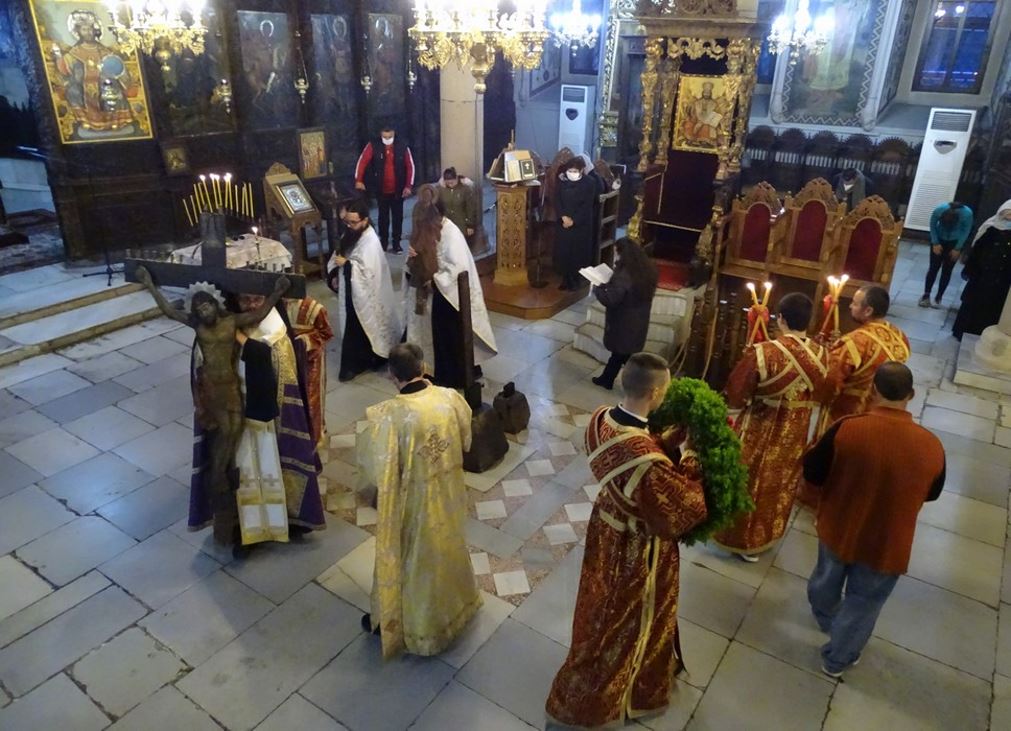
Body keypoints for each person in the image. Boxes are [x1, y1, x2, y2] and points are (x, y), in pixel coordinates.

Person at [546, 353, 708, 728]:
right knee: (623, 618)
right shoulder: (648, 461)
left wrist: (666, 441)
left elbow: (634, 452)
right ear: (654, 393)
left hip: (605, 524)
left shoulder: (600, 418)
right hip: (635, 545)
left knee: (598, 603)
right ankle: (610, 694)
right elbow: (684, 508)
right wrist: (691, 456)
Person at [803, 362, 945, 678]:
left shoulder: (846, 429)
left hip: (839, 526)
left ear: (872, 390)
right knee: (865, 601)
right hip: (888, 541)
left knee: (826, 580)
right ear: (911, 395)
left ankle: (827, 618)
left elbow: (813, 473)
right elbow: (933, 493)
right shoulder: (932, 445)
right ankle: (838, 658)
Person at [357, 343, 480, 659]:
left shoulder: (389, 416)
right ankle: (460, 606)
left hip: (414, 503)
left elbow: (376, 471)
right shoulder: (451, 398)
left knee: (415, 560)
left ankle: (420, 628)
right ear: (423, 368)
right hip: (449, 493)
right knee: (449, 546)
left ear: (391, 375)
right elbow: (466, 440)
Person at [713, 293, 827, 561]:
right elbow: (823, 391)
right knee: (779, 484)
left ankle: (739, 538)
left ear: (781, 319)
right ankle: (765, 536)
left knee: (750, 480)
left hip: (760, 429)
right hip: (795, 433)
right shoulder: (822, 354)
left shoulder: (765, 353)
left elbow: (736, 393)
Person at [405, 200, 497, 388]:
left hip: (449, 299)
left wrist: (435, 281)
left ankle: (454, 377)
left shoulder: (451, 233)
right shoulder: (425, 229)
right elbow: (413, 261)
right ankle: (433, 371)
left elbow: (458, 269)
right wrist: (413, 258)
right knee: (431, 338)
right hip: (430, 298)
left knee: (451, 339)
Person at [326, 197, 402, 381]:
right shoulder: (351, 233)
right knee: (353, 327)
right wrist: (335, 273)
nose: (350, 226)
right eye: (348, 222)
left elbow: (368, 271)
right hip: (351, 289)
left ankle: (368, 361)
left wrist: (347, 265)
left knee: (363, 327)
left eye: (354, 222)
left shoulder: (370, 241)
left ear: (365, 220)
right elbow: (340, 253)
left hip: (365, 295)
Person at [821, 285, 909, 428]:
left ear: (868, 311)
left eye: (855, 303)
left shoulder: (856, 342)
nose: (850, 306)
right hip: (880, 413)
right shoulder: (900, 337)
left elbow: (831, 380)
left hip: (846, 415)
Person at [591, 238, 659, 390]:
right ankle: (607, 379)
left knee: (622, 355)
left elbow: (611, 299)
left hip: (623, 322)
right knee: (622, 355)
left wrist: (598, 288)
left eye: (616, 252)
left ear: (622, 254)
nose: (615, 256)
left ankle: (640, 385)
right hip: (638, 320)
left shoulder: (623, 275)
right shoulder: (645, 270)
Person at [953, 199, 1011, 340]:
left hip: (1002, 280)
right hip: (981, 276)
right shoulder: (990, 228)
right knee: (972, 305)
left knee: (993, 308)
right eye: (1008, 214)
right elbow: (977, 250)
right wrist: (972, 269)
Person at [354, 126, 414, 252]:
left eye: (389, 136)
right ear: (380, 134)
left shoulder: (402, 145)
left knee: (398, 217)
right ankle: (383, 242)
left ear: (394, 133)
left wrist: (408, 186)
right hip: (381, 189)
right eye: (384, 137)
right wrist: (359, 180)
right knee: (383, 218)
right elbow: (362, 162)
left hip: (398, 189)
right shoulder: (373, 145)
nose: (387, 139)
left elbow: (410, 166)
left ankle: (396, 243)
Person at [284, 296, 334, 449]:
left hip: (310, 360)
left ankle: (314, 437)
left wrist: (304, 341)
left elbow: (326, 333)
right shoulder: (273, 305)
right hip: (286, 359)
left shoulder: (314, 308)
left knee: (311, 397)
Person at [554, 157, 600, 291]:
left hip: (581, 222)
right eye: (570, 171)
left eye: (575, 171)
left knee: (577, 252)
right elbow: (557, 199)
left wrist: (573, 220)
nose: (571, 173)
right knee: (563, 251)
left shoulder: (590, 183)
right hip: (564, 221)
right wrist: (563, 217)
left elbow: (587, 205)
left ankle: (575, 279)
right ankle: (565, 278)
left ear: (581, 170)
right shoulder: (562, 181)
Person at [921, 201, 974, 309]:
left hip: (955, 240)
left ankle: (938, 297)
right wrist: (935, 243)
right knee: (933, 268)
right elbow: (932, 225)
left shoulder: (967, 214)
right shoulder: (938, 210)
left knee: (947, 270)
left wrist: (957, 248)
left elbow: (966, 231)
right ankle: (926, 295)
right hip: (940, 238)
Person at [436, 167, 481, 250]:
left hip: (462, 224)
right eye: (448, 183)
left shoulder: (465, 189)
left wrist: (470, 225)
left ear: (456, 179)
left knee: (461, 247)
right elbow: (438, 206)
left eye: (452, 182)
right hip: (447, 223)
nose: (450, 185)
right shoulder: (441, 190)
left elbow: (470, 208)